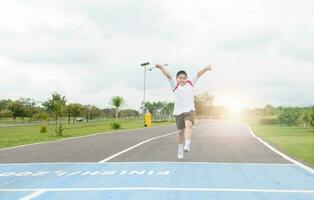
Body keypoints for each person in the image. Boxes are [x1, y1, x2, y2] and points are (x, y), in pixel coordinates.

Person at [156, 64, 212, 159]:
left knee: (189, 125)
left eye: (184, 78)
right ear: (177, 79)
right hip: (178, 112)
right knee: (180, 132)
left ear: (186, 79)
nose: (182, 80)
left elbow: (198, 74)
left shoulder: (190, 83)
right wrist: (161, 67)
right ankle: (180, 148)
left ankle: (187, 144)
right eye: (180, 78)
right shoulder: (175, 86)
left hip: (189, 110)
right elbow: (169, 76)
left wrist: (206, 68)